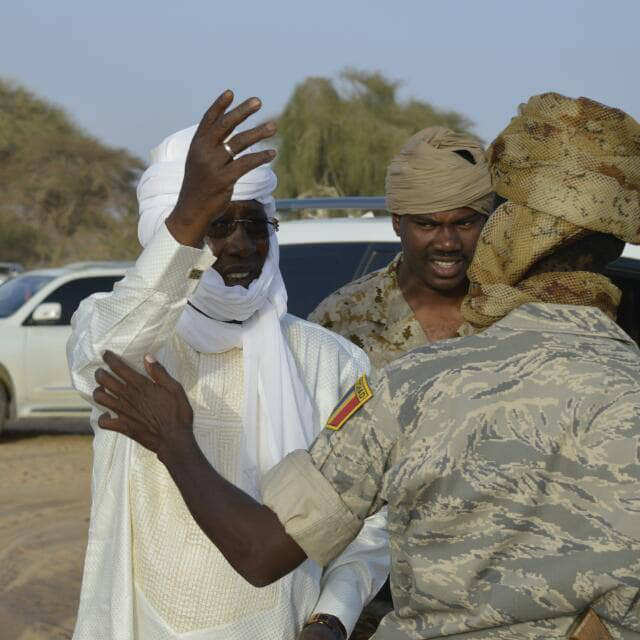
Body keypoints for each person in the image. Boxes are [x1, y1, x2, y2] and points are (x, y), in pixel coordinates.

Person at [93, 92, 640, 639]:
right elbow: (109, 349)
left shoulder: (410, 386)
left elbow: (263, 550)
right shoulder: (343, 330)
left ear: (506, 229)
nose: (450, 241)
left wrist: (174, 440)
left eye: (474, 220)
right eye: (214, 227)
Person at [66, 92, 389, 640]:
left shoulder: (327, 358)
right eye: (216, 226)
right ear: (173, 231)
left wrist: (333, 614)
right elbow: (105, 356)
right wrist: (190, 209)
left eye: (254, 225)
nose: (238, 246)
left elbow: (369, 516)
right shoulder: (130, 339)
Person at [308, 127, 494, 368]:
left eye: (464, 223)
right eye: (427, 225)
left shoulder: (518, 309)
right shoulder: (340, 320)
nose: (448, 243)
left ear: (486, 221)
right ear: (397, 222)